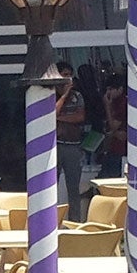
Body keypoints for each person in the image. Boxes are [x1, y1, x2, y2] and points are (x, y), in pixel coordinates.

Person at [56, 68, 89, 222]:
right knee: (50, 186)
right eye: (64, 75)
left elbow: (80, 117)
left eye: (70, 75)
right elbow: (51, 113)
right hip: (55, 145)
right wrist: (63, 95)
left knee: (73, 187)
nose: (68, 78)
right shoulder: (51, 93)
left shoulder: (77, 96)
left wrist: (60, 119)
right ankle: (51, 221)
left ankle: (74, 221)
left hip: (73, 145)